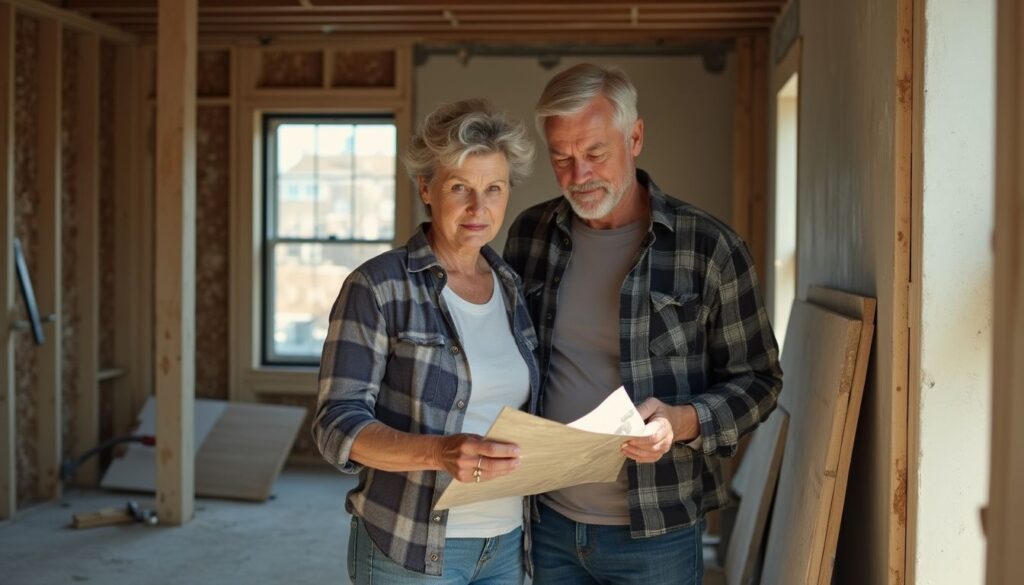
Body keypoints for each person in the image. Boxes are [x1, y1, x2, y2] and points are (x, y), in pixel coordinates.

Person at [504, 64, 784, 584]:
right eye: (561, 157)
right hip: (549, 522)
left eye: (594, 153)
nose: (578, 174)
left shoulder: (709, 248)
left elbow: (761, 381)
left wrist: (683, 422)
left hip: (659, 527)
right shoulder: (530, 235)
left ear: (635, 137)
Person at [314, 99, 541, 584]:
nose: (479, 207)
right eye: (460, 187)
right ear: (426, 187)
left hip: (506, 545)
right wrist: (439, 453)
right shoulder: (377, 286)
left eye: (494, 189)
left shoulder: (514, 289)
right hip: (409, 546)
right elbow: (337, 425)